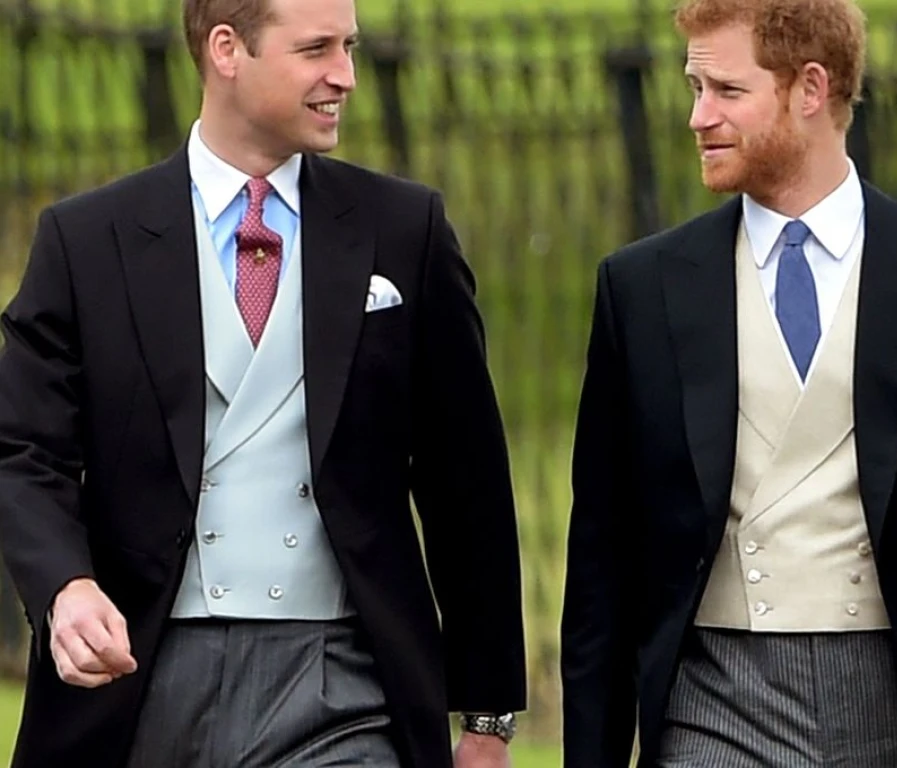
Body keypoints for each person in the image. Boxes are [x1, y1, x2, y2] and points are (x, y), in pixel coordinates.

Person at [0, 0, 526, 765]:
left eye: (349, 47)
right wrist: (64, 587)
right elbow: (23, 450)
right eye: (316, 50)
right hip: (137, 680)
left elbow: (465, 481)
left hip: (344, 681)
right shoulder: (87, 240)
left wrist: (487, 717)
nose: (345, 76)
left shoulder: (403, 229)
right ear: (226, 50)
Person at [560, 0, 897, 765]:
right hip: (715, 697)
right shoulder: (642, 288)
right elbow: (602, 557)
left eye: (726, 91)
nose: (698, 117)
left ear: (811, 88)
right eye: (694, 89)